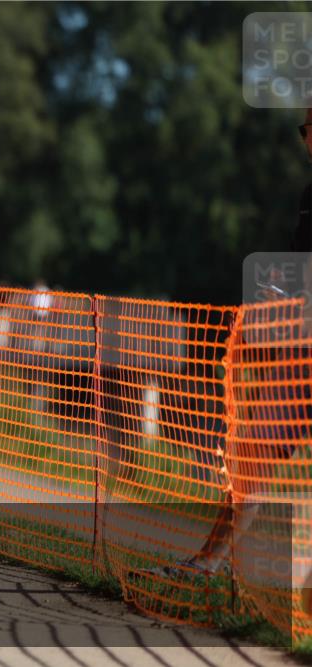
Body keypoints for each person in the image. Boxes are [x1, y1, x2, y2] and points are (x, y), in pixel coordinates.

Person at [142, 110, 312, 581]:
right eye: (305, 130)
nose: (307, 140)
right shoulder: (308, 198)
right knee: (251, 460)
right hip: (300, 354)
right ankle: (208, 565)